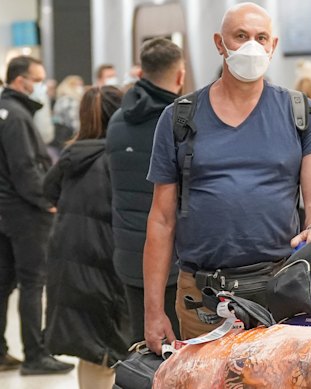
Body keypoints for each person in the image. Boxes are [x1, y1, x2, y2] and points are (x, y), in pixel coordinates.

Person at [144, 2, 311, 354]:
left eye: (261, 37)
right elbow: (161, 218)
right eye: (241, 36)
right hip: (202, 297)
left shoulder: (300, 113)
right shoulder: (180, 117)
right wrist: (153, 311)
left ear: (273, 46)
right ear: (220, 43)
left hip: (279, 289)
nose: (252, 46)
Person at [43, 85, 130, 388]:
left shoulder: (71, 156)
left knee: (92, 350)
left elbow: (47, 191)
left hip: (69, 261)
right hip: (106, 262)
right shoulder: (119, 159)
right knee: (110, 349)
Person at [106, 38, 184, 345]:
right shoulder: (180, 123)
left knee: (140, 346)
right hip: (172, 258)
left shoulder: (116, 121)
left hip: (128, 253)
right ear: (179, 76)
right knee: (175, 353)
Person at [0, 56, 74, 375]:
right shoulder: (16, 117)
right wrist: (48, 201)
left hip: (6, 210)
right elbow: (25, 168)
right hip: (25, 213)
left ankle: (2, 351)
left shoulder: (6, 111)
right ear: (21, 81)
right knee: (33, 283)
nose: (42, 86)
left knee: (4, 284)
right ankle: (35, 355)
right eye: (39, 79)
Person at [51, 75, 84, 151]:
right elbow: (74, 123)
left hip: (60, 136)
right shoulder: (71, 101)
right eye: (78, 85)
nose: (80, 87)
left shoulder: (61, 99)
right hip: (70, 137)